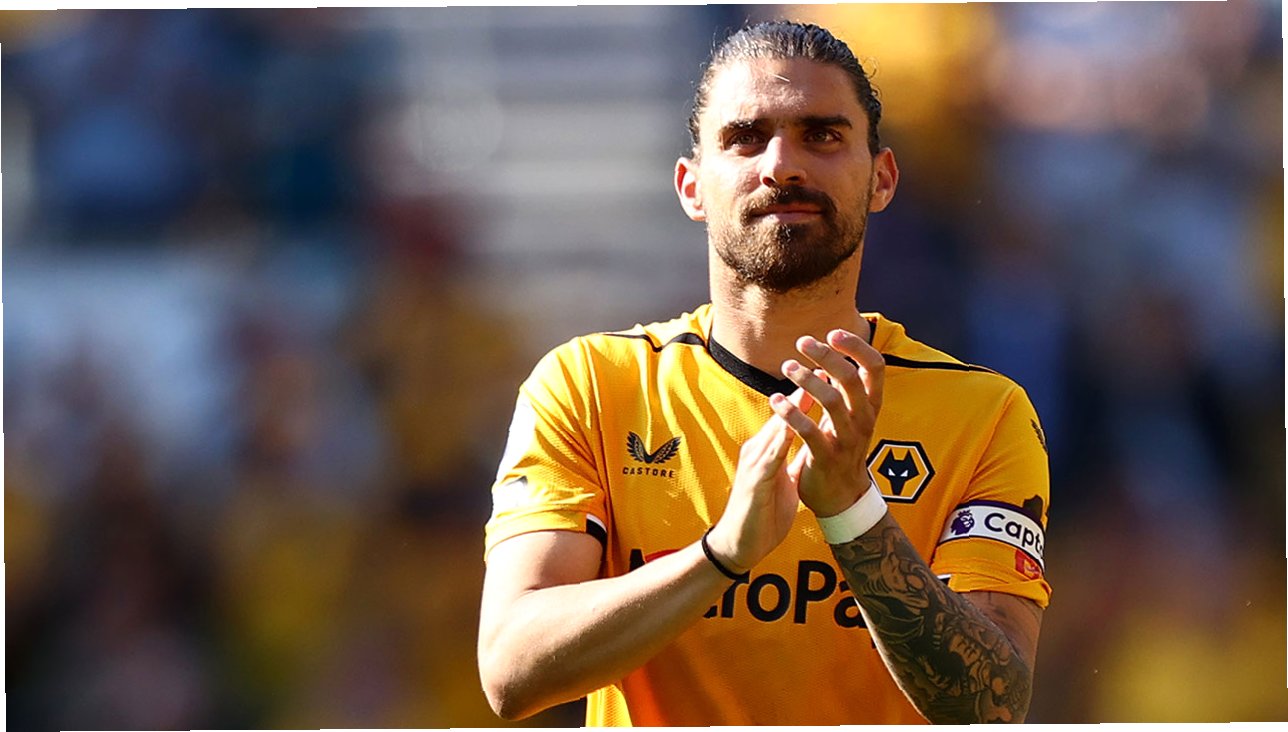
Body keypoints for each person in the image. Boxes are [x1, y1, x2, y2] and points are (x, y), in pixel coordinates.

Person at [477, 20, 1050, 725]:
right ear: (691, 186)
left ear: (882, 178)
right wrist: (721, 555)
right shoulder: (591, 386)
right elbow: (510, 670)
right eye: (746, 137)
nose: (783, 165)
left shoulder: (983, 414)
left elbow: (992, 705)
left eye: (823, 135)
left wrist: (852, 511)